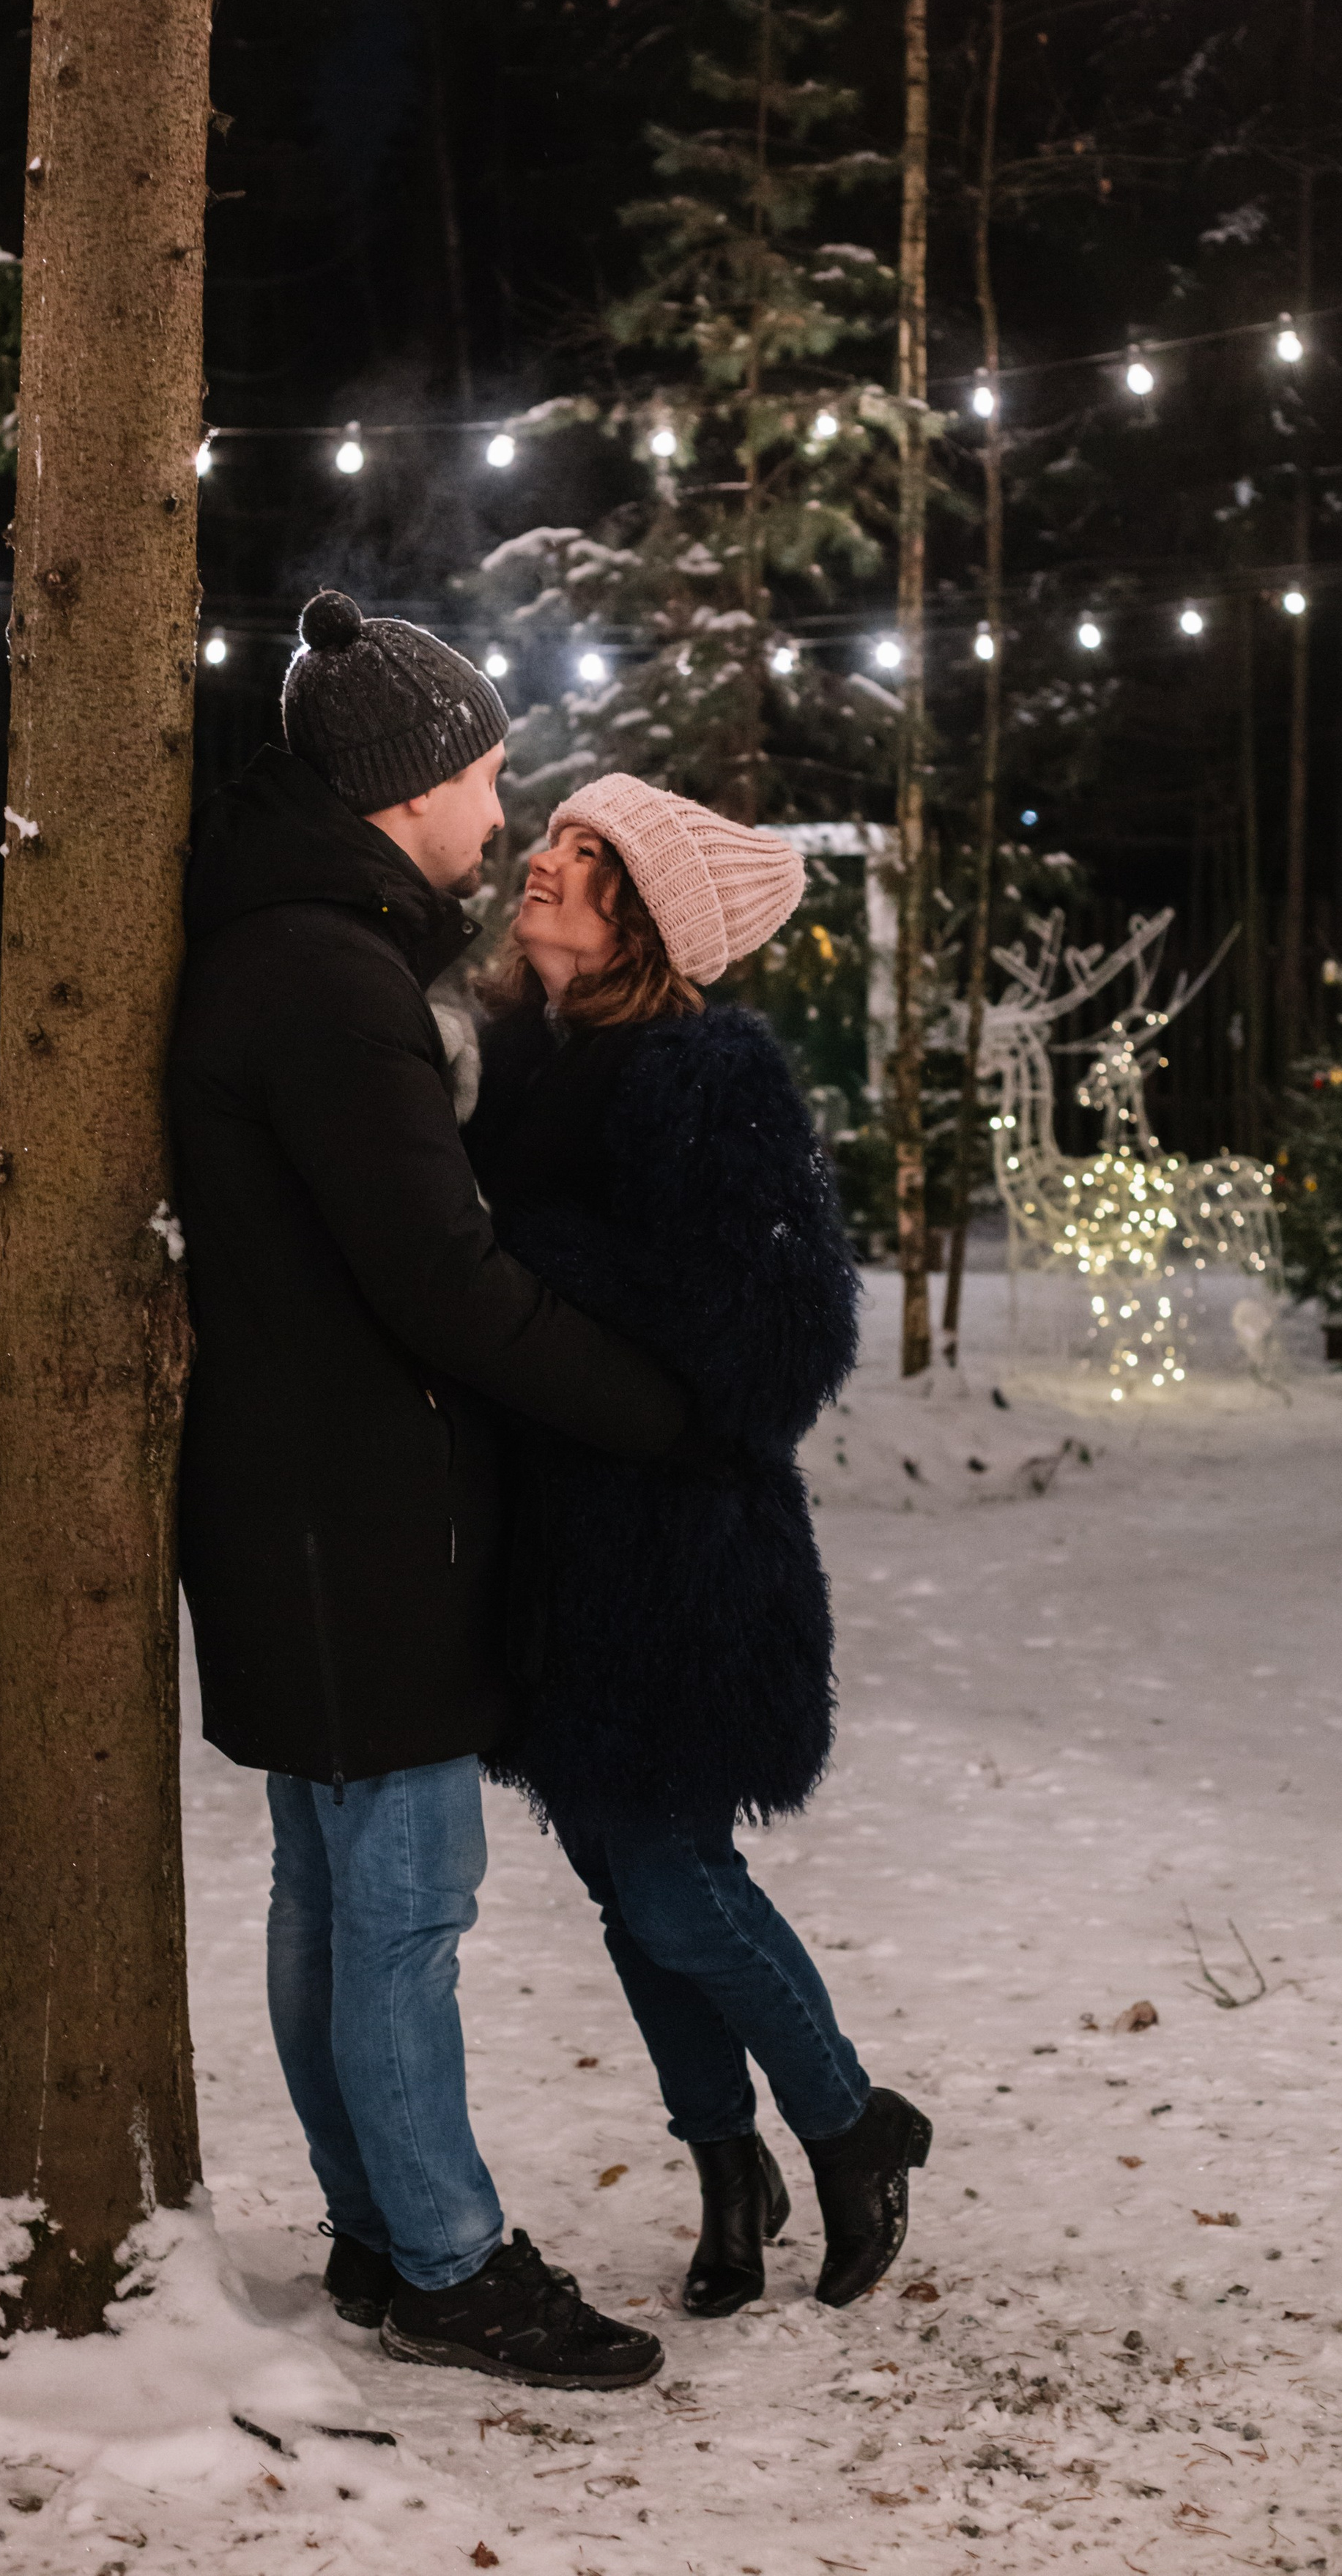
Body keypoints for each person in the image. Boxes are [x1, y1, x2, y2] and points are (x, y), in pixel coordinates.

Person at [170, 590, 684, 2393]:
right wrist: (649, 1405)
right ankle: (449, 2262)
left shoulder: (306, 944)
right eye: (480, 765)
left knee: (336, 1894)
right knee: (395, 1900)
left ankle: (385, 2242)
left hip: (300, 1497)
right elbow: (437, 1277)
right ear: (405, 787)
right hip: (348, 1510)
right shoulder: (323, 973)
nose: (501, 795)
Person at [463, 773, 933, 2322]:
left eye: (584, 860)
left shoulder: (706, 1072)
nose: (544, 860)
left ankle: (849, 2120)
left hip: (676, 1556)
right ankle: (728, 2175)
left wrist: (531, 1260)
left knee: (668, 1884)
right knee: (628, 1884)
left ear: (644, 920)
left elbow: (778, 1333)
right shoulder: (530, 1060)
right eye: (550, 839)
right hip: (558, 1553)